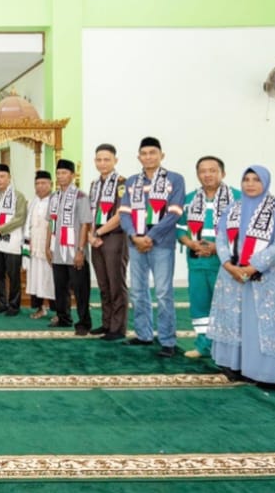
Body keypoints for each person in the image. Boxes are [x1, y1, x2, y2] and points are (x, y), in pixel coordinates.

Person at [210, 165, 275, 389]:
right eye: (246, 179)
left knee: (263, 324)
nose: (250, 184)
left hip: (268, 278)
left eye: (256, 179)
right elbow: (221, 238)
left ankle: (268, 373)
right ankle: (238, 367)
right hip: (233, 276)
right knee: (236, 321)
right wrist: (228, 264)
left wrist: (254, 267)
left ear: (266, 182)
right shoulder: (232, 208)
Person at [118, 137, 186, 357]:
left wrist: (150, 237)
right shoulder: (132, 182)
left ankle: (167, 340)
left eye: (152, 153)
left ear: (161, 155)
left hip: (161, 244)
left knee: (164, 293)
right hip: (136, 243)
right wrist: (134, 236)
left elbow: (174, 213)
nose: (148, 157)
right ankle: (144, 334)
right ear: (139, 157)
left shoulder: (175, 179)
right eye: (144, 153)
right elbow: (124, 213)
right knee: (138, 291)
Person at [176, 156, 239, 358]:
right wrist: (190, 243)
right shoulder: (189, 199)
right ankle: (203, 346)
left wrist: (218, 248)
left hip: (226, 263)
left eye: (213, 170)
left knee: (227, 306)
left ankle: (229, 349)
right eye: (203, 171)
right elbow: (179, 228)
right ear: (197, 175)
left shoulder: (238, 198)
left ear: (223, 173)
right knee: (200, 305)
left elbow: (244, 233)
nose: (207, 175)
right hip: (197, 262)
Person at [87, 144, 129, 339]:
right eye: (99, 159)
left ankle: (117, 328)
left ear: (115, 161)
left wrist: (98, 232)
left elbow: (121, 215)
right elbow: (91, 211)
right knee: (103, 284)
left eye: (107, 159)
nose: (102, 163)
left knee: (116, 284)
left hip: (115, 238)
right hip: (96, 238)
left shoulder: (122, 184)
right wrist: (90, 235)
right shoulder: (95, 184)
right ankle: (106, 323)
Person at [47, 159, 92, 334]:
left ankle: (84, 323)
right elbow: (50, 224)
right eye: (58, 173)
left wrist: (80, 251)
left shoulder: (81, 196)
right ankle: (63, 318)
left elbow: (85, 224)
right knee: (60, 287)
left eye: (64, 173)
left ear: (72, 175)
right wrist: (47, 247)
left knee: (80, 289)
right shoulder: (54, 197)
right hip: (57, 250)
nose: (60, 176)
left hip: (74, 251)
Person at [0, 164, 27, 316]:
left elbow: (20, 218)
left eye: (2, 176)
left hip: (11, 242)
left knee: (13, 276)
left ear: (9, 178)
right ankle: (2, 303)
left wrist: (0, 229)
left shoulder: (18, 196)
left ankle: (14, 306)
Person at [24, 170, 56, 319]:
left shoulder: (55, 201)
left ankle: (58, 312)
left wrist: (51, 247)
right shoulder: (32, 202)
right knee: (35, 279)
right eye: (37, 183)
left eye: (44, 183)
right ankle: (40, 308)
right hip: (34, 248)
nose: (40, 186)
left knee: (51, 279)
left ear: (51, 184)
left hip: (49, 248)